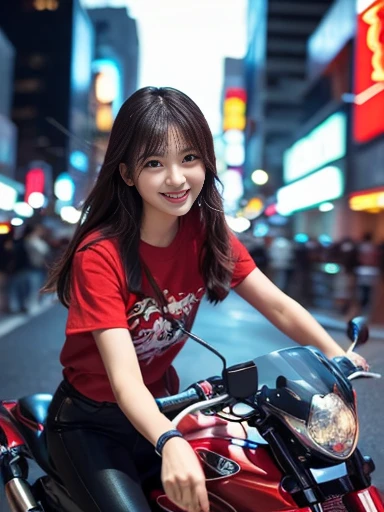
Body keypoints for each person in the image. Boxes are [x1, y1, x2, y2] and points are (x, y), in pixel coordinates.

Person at [44, 87, 368, 512]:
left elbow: (279, 305)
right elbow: (124, 383)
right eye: (154, 163)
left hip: (172, 408)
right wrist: (168, 440)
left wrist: (337, 358)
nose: (176, 178)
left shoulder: (207, 234)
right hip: (92, 425)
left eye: (189, 158)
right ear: (126, 174)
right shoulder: (100, 256)